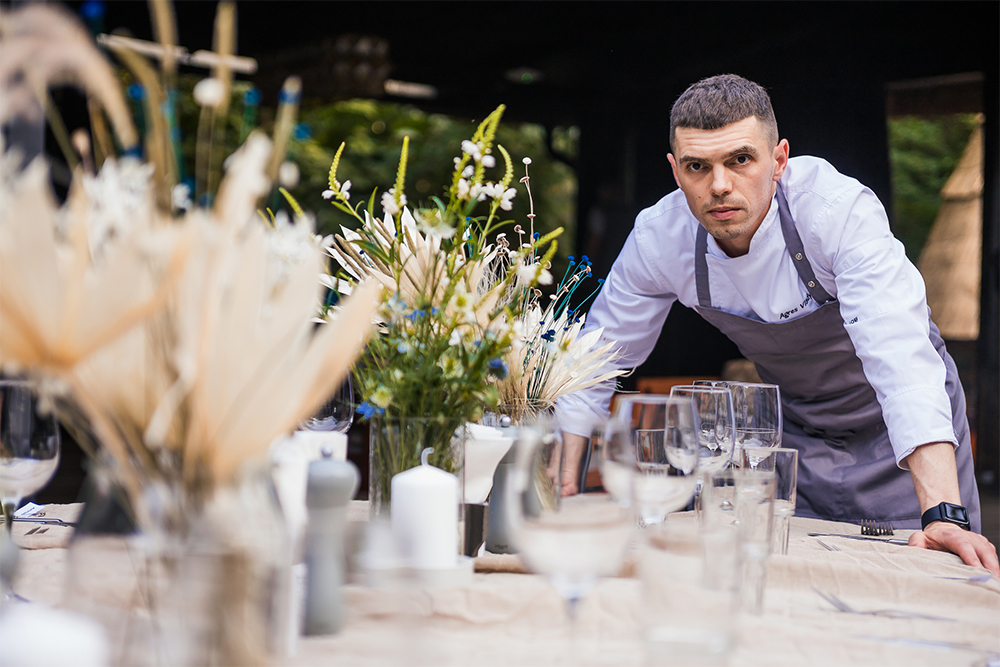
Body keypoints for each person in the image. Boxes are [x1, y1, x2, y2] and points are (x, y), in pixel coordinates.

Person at [557, 74, 999, 576]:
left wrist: (943, 511)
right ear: (675, 171)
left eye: (740, 160)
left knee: (917, 590)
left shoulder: (836, 212)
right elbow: (592, 363)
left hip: (905, 441)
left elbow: (902, 360)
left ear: (779, 160)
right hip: (793, 439)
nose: (719, 185)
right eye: (698, 167)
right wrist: (563, 485)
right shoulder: (661, 238)